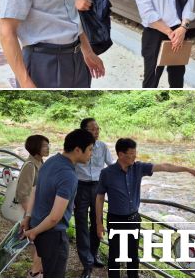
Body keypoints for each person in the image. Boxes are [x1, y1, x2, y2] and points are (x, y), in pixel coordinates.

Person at [95, 138, 195, 278]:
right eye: (131, 154)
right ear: (121, 154)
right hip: (115, 220)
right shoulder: (107, 173)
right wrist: (98, 223)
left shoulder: (139, 168)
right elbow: (100, 197)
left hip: (133, 219)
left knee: (133, 255)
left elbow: (165, 166)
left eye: (135, 153)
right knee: (115, 255)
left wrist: (188, 169)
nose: (135, 156)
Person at [21, 129, 95, 277]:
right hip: (52, 235)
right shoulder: (69, 175)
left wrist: (28, 217)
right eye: (90, 149)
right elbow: (55, 217)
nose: (91, 153)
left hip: (38, 224)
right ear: (78, 150)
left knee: (46, 268)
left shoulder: (50, 162)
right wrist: (33, 232)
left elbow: (35, 190)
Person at [75, 118, 114, 278]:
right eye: (92, 129)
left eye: (98, 129)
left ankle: (93, 255)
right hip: (80, 186)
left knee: (97, 222)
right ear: (84, 130)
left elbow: (111, 166)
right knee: (81, 224)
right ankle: (87, 264)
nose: (96, 132)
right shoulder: (76, 147)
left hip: (98, 188)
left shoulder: (103, 146)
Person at [15, 135, 50, 278]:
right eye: (44, 146)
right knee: (39, 245)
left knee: (41, 244)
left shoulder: (40, 163)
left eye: (48, 145)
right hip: (33, 213)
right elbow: (22, 194)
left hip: (37, 212)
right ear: (35, 147)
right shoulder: (30, 165)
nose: (48, 148)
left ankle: (38, 271)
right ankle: (35, 273)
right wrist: (30, 216)